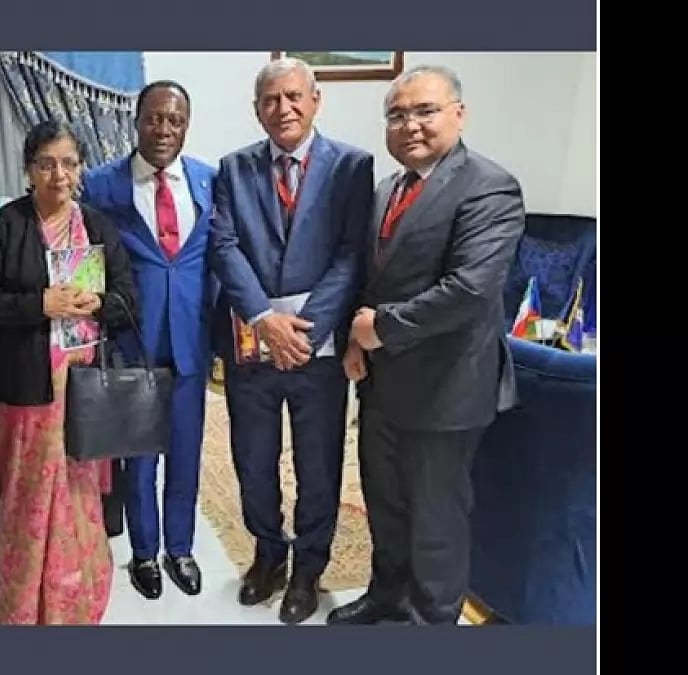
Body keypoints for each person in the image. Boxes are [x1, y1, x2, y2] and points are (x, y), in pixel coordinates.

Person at [329, 65, 525, 625]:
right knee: (386, 508)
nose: (409, 124)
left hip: (446, 392)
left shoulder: (489, 186)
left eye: (424, 111)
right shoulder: (388, 189)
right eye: (397, 114)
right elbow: (370, 279)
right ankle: (386, 597)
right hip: (383, 386)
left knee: (435, 522)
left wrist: (379, 329)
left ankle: (430, 622)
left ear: (458, 114)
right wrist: (355, 342)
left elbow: (469, 290)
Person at [209, 57, 374, 624]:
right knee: (253, 461)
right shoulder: (233, 169)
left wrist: (306, 328)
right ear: (257, 109)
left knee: (319, 464)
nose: (283, 109)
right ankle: (266, 554)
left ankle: (308, 568)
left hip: (317, 351)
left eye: (293, 97)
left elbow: (354, 253)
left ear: (315, 99)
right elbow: (225, 246)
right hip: (252, 347)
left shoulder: (353, 167)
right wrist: (262, 316)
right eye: (270, 100)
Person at [0, 120, 138, 624]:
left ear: (80, 168)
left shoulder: (99, 227)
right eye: (46, 163)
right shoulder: (9, 225)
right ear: (28, 170)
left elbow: (130, 303)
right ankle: (24, 608)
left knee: (81, 493)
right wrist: (40, 303)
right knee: (26, 498)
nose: (58, 174)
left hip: (84, 389)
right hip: (26, 388)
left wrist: (98, 303)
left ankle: (74, 600)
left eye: (68, 162)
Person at [80, 80, 216, 600]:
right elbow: (85, 257)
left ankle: (179, 549)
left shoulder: (207, 180)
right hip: (132, 343)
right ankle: (143, 554)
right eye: (155, 118)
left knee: (186, 453)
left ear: (185, 126)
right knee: (139, 459)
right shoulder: (101, 185)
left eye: (175, 120)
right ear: (136, 121)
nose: (164, 129)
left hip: (190, 341)